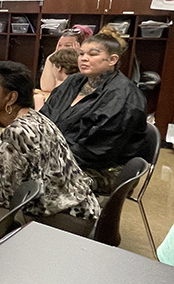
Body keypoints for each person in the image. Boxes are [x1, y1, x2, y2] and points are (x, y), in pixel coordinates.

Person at [0, 61, 101, 244]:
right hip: (82, 211)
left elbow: (0, 198)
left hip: (61, 222)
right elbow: (20, 177)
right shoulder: (36, 118)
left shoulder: (15, 133)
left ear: (11, 98)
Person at [40, 26, 147, 194]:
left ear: (112, 60)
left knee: (40, 175)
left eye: (93, 54)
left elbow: (97, 151)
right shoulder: (74, 81)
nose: (83, 59)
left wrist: (48, 157)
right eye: (81, 54)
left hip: (105, 170)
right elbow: (45, 117)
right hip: (64, 155)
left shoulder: (123, 97)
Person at [35, 26, 92, 108]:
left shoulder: (85, 65)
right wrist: (51, 58)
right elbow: (46, 87)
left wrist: (79, 56)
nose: (62, 49)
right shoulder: (54, 61)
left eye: (67, 45)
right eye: (59, 45)